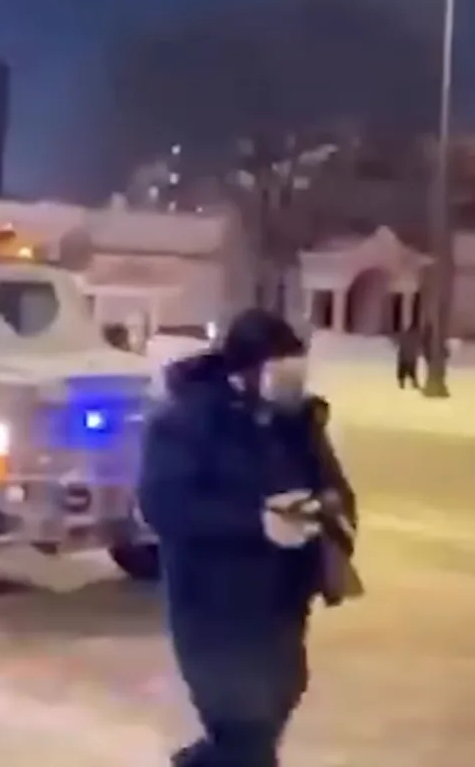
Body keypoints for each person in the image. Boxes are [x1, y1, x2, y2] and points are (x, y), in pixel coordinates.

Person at [139, 307, 359, 767]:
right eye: (281, 372)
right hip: (213, 604)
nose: (292, 383)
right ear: (244, 372)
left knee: (275, 703)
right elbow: (164, 505)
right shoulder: (187, 421)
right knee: (245, 729)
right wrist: (256, 522)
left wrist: (325, 510)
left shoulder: (297, 421)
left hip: (281, 600)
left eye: (298, 370)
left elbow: (332, 483)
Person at [394, 323, 421, 390]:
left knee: (404, 370)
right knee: (411, 371)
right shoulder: (415, 338)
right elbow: (417, 347)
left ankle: (402, 383)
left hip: (404, 357)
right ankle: (413, 383)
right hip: (411, 357)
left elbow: (400, 344)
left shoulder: (405, 336)